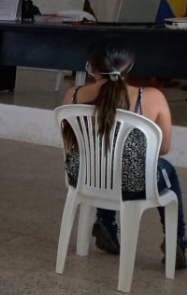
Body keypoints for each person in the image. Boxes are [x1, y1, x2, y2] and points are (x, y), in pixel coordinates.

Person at [61, 41, 187, 270]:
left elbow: (70, 140)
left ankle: (106, 222)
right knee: (164, 169)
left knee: (107, 160)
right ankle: (177, 240)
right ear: (130, 66)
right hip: (132, 183)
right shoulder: (152, 97)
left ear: (91, 67)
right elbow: (162, 148)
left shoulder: (73, 95)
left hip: (83, 177)